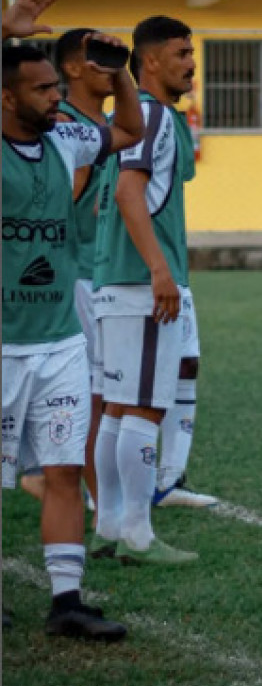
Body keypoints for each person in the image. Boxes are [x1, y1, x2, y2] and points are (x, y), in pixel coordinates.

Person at [2, 0, 143, 640]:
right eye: (42, 90)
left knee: (62, 471)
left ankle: (66, 602)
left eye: (58, 87)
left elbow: (129, 129)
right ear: (6, 98)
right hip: (2, 345)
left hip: (58, 340)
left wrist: (120, 77)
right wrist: (9, 30)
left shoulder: (65, 141)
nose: (57, 97)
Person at [90, 15, 209, 566]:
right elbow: (128, 192)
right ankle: (136, 532)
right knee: (144, 409)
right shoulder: (154, 117)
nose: (191, 63)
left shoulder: (142, 117)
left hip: (118, 278)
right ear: (151, 60)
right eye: (182, 53)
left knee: (118, 406)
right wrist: (161, 270)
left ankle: (110, 524)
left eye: (192, 53)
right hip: (142, 283)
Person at [52, 27, 120, 522]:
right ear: (71, 68)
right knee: (95, 393)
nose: (109, 65)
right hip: (75, 274)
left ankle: (94, 493)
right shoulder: (64, 124)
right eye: (96, 57)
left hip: (103, 274)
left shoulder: (112, 124)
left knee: (108, 391)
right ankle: (100, 501)